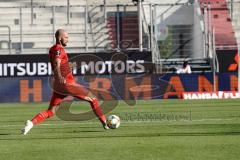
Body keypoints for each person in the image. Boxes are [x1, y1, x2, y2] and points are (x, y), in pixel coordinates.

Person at [21, 29, 109, 135]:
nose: (68, 39)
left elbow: (59, 64)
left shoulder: (52, 49)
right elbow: (57, 63)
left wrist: (69, 66)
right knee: (93, 99)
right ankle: (105, 123)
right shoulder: (60, 49)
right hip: (67, 83)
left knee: (51, 111)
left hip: (58, 86)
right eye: (66, 37)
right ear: (59, 38)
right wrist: (60, 75)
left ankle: (31, 123)